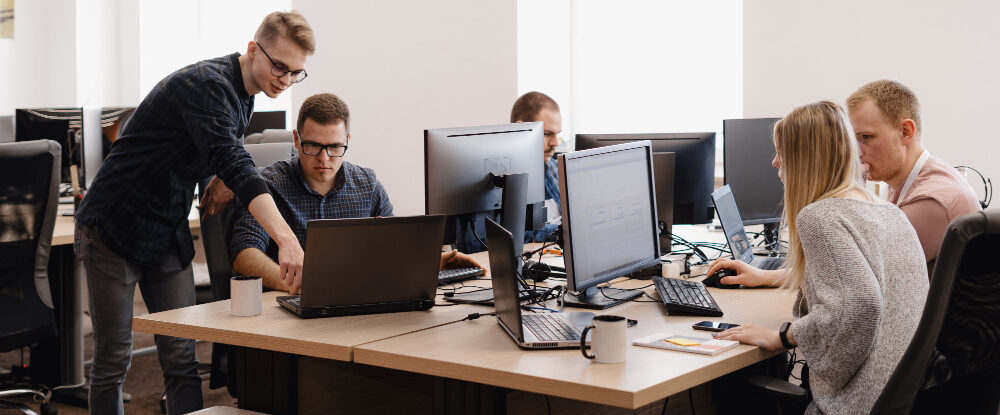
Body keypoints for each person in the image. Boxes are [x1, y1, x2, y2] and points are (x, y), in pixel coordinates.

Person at [74, 11, 314, 415]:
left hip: (166, 229)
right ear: (253, 49)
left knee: (183, 358)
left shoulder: (246, 90)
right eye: (280, 67)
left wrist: (218, 175)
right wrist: (287, 240)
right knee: (114, 360)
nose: (285, 80)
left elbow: (219, 146)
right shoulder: (206, 85)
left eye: (296, 73)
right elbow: (234, 160)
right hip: (112, 226)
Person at [713, 101, 929, 414]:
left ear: (803, 159)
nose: (775, 163)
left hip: (858, 403)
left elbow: (861, 303)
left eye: (782, 153)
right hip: (901, 395)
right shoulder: (889, 211)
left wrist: (783, 337)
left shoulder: (820, 216)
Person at [230, 93, 483, 292]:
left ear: (348, 140)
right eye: (313, 146)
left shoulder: (367, 185)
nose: (324, 158)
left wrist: (436, 261)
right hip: (293, 307)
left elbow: (394, 249)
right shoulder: (268, 186)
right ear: (297, 139)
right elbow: (245, 255)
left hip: (358, 303)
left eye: (335, 147)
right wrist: (296, 285)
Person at [846, 80, 981, 277]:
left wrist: (849, 189)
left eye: (865, 137)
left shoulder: (931, 202)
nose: (857, 153)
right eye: (853, 140)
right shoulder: (911, 181)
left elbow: (857, 280)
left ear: (906, 132)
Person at [511, 91, 564, 243]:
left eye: (557, 134)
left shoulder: (554, 168)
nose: (556, 143)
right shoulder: (497, 179)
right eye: (547, 134)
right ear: (520, 130)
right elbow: (482, 241)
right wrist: (563, 232)